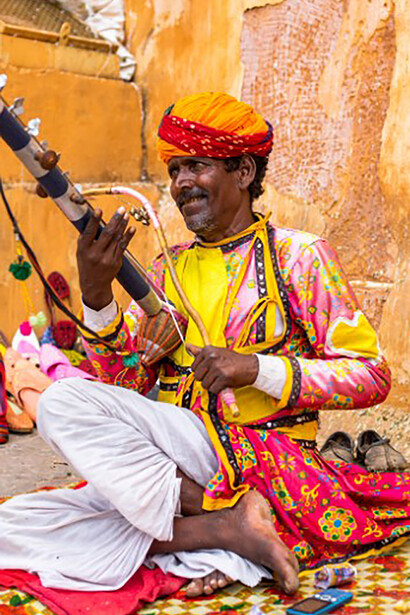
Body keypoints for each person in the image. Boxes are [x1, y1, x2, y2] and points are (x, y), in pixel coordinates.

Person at [0, 92, 409, 598]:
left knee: (59, 401)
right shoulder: (165, 272)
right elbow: (121, 386)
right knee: (11, 529)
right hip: (172, 466)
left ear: (242, 172)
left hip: (264, 461)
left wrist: (257, 369)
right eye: (174, 170)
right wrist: (98, 295)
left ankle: (214, 535)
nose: (180, 184)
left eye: (196, 166)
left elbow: (372, 376)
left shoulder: (300, 256)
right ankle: (220, 533)